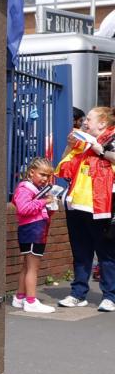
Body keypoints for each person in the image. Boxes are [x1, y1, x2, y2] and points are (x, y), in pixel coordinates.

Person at [56, 105, 115, 311]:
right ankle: (77, 293)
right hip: (77, 205)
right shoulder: (81, 141)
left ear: (103, 123)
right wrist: (69, 146)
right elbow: (63, 169)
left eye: (89, 119)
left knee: (106, 253)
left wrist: (101, 150)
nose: (85, 122)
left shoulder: (111, 140)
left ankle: (110, 296)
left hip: (100, 207)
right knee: (81, 253)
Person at [12, 157, 58, 314]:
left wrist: (48, 206)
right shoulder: (25, 188)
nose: (45, 179)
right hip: (33, 229)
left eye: (48, 176)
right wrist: (44, 202)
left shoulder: (30, 189)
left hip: (33, 228)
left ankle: (19, 297)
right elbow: (23, 209)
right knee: (33, 267)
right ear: (32, 172)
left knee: (27, 265)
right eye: (42, 174)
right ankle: (31, 301)